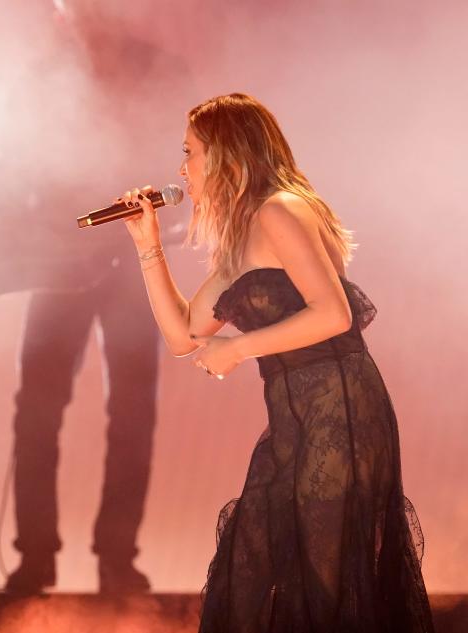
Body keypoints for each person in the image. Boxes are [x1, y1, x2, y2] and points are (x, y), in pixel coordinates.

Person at [121, 93, 434, 631]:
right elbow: (182, 336)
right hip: (295, 423)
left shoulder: (280, 210)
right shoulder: (241, 238)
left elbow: (334, 314)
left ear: (228, 155)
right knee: (252, 561)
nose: (181, 169)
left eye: (191, 152)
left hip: (342, 416)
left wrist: (238, 349)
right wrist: (148, 245)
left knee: (327, 581)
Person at [0, 1, 188, 596]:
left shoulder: (154, 69)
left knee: (123, 411)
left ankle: (106, 557)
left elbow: (187, 168)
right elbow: (9, 170)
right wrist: (21, 228)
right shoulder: (39, 76)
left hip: (132, 263)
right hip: (63, 264)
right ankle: (45, 557)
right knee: (45, 410)